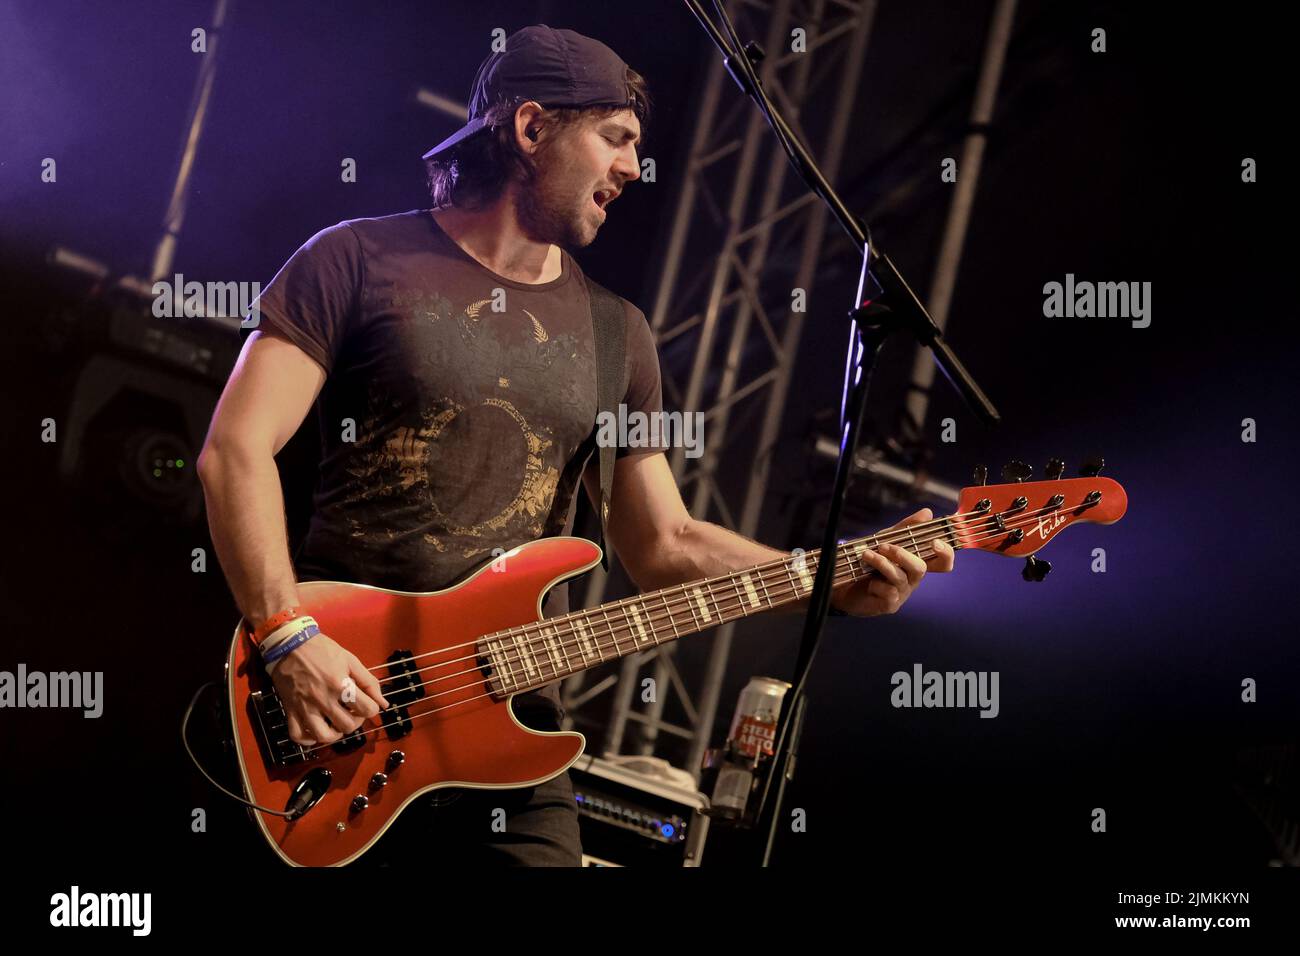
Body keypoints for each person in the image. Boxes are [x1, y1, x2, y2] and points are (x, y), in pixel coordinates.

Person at [196, 24, 953, 866]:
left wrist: (827, 583)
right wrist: (288, 636)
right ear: (530, 129)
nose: (633, 167)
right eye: (617, 137)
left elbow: (665, 544)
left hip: (512, 735)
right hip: (338, 710)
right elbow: (235, 450)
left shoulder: (619, 334)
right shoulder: (355, 259)